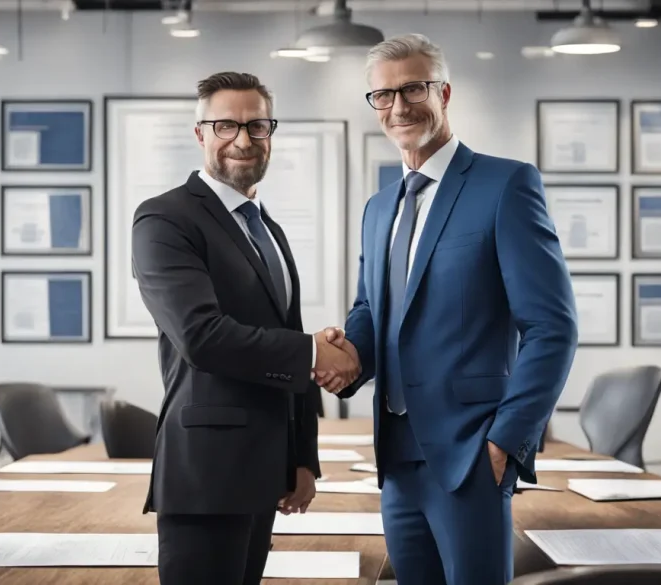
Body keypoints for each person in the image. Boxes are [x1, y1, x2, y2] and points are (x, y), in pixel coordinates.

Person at [315, 34, 578, 585]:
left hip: (471, 451)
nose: (399, 106)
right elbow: (373, 307)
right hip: (395, 455)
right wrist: (344, 354)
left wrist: (508, 438)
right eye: (383, 95)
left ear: (445, 92)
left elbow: (552, 327)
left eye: (414, 89)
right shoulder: (379, 206)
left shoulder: (505, 184)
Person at [130, 71, 359, 585]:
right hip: (206, 474)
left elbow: (287, 332)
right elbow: (201, 336)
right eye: (226, 125)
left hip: (265, 472)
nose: (243, 139)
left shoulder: (266, 226)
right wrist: (315, 353)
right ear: (200, 134)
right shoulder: (164, 219)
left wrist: (302, 459)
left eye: (257, 126)